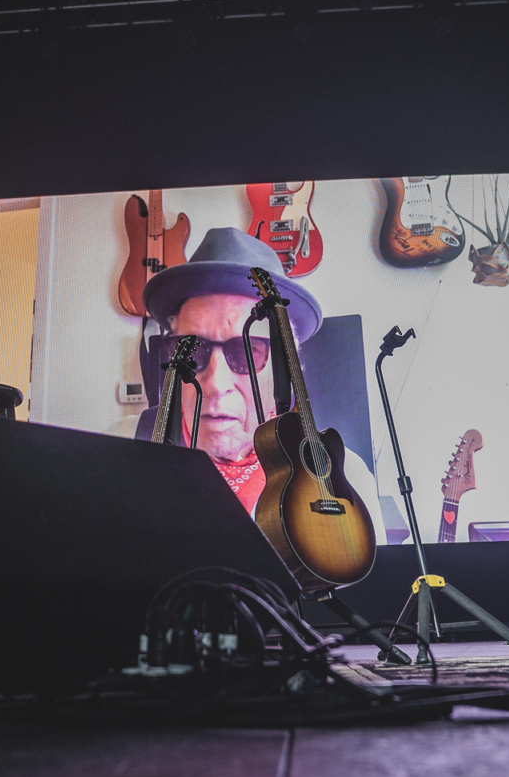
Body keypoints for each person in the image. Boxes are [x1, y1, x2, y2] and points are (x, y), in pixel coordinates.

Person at [139, 227, 385, 542]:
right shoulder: (125, 471)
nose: (215, 384)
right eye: (193, 350)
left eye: (247, 353)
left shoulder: (346, 483)